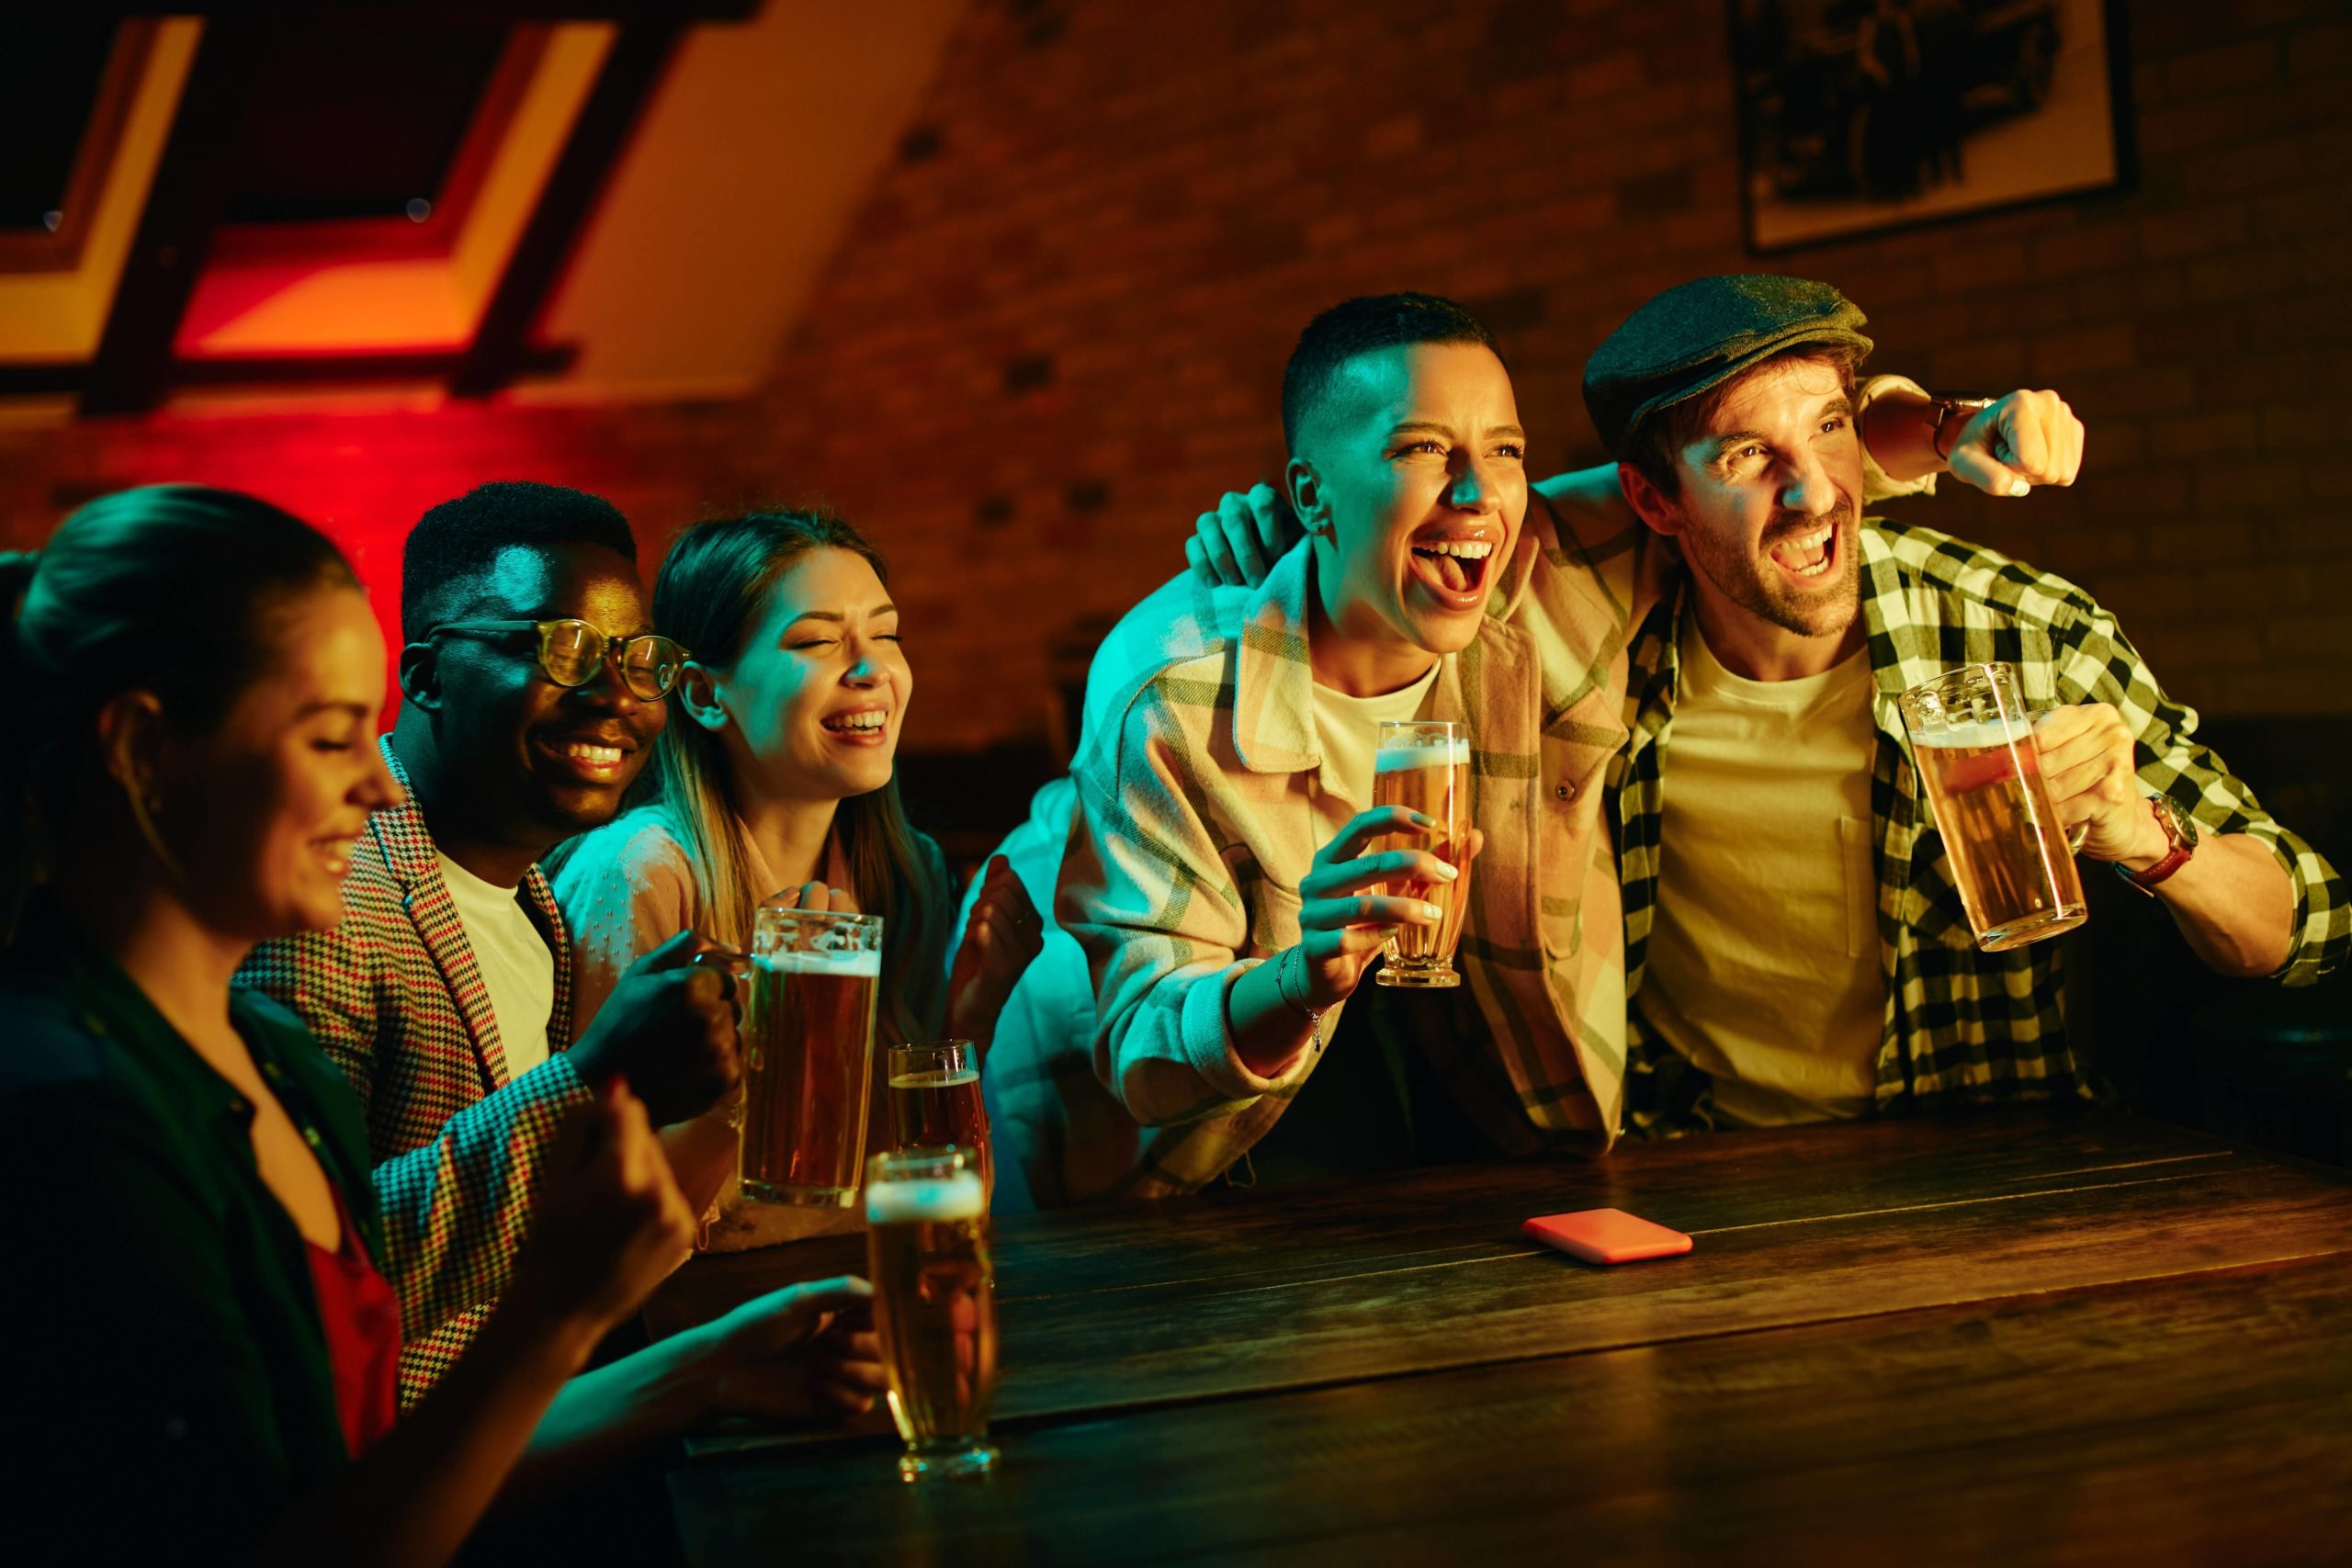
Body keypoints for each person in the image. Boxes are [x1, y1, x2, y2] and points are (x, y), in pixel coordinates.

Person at [1037, 289, 2097, 1202]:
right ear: (1310, 495)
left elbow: (1756, 475)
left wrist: (1955, 426)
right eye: (1418, 449)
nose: (1475, 495)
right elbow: (1139, 1052)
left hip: (1482, 1148)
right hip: (1153, 1181)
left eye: (1503, 453)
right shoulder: (1170, 690)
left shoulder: (1530, 566)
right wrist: (1305, 975)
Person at [0, 487, 880, 1567]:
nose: (378, 778)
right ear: (143, 750)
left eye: (633, 656)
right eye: (331, 736)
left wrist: (708, 1368)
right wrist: (575, 1240)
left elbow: (373, 1413)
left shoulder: (316, 1035)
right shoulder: (78, 1111)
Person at [239, 481, 741, 1402]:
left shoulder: (535, 899)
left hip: (532, 1415)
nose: (614, 694)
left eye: (638, 657)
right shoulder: (330, 900)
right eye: (563, 647)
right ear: (424, 677)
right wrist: (590, 1079)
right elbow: (308, 1278)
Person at [553, 509, 1042, 1238]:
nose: (873, 668)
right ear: (703, 694)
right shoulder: (643, 873)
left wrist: (966, 1025)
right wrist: (777, 1047)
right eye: (816, 641)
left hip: (852, 1305)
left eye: (886, 633)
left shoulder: (909, 873)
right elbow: (604, 1229)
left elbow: (937, 1216)